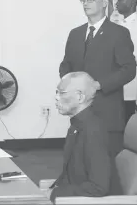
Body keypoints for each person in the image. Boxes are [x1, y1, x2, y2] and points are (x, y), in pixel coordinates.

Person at [59, 0, 136, 158]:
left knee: (106, 166)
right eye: (84, 0)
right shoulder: (75, 34)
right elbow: (66, 64)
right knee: (78, 162)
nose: (86, 3)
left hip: (107, 113)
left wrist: (98, 85)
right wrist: (68, 83)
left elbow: (129, 70)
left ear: (104, 3)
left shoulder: (119, 33)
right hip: (80, 112)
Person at [47, 72, 111, 203]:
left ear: (80, 97)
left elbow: (98, 187)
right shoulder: (77, 125)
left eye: (62, 93)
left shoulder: (93, 130)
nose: (56, 98)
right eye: (56, 92)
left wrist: (55, 194)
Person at [114, 0, 137, 124]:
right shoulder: (120, 24)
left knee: (127, 129)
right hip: (116, 88)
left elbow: (135, 61)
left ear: (132, 1)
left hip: (130, 90)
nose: (117, 2)